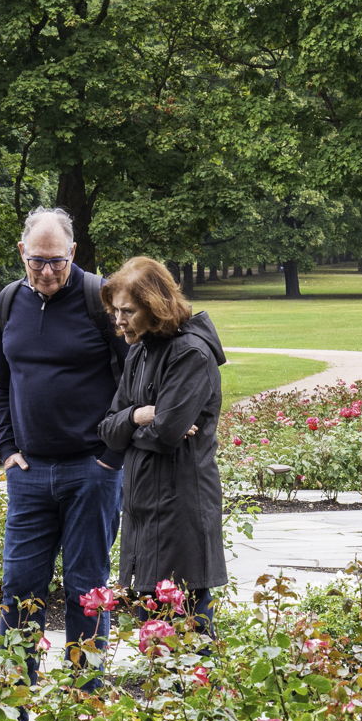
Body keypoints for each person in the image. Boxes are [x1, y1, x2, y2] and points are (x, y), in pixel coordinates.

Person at [0, 207, 126, 673]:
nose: (47, 272)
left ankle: (83, 712)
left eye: (57, 261)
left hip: (91, 471)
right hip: (28, 474)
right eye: (37, 261)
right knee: (18, 591)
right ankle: (12, 709)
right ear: (22, 252)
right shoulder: (8, 302)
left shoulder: (101, 299)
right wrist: (6, 449)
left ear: (72, 252)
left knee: (86, 591)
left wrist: (111, 456)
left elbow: (135, 378)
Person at [97, 256, 227, 628]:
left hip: (179, 509)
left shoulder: (190, 353)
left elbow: (168, 434)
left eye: (128, 311)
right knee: (152, 625)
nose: (118, 320)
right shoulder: (139, 349)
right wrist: (141, 415)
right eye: (115, 311)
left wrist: (147, 424)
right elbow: (107, 428)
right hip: (144, 509)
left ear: (155, 307)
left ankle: (198, 689)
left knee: (187, 627)